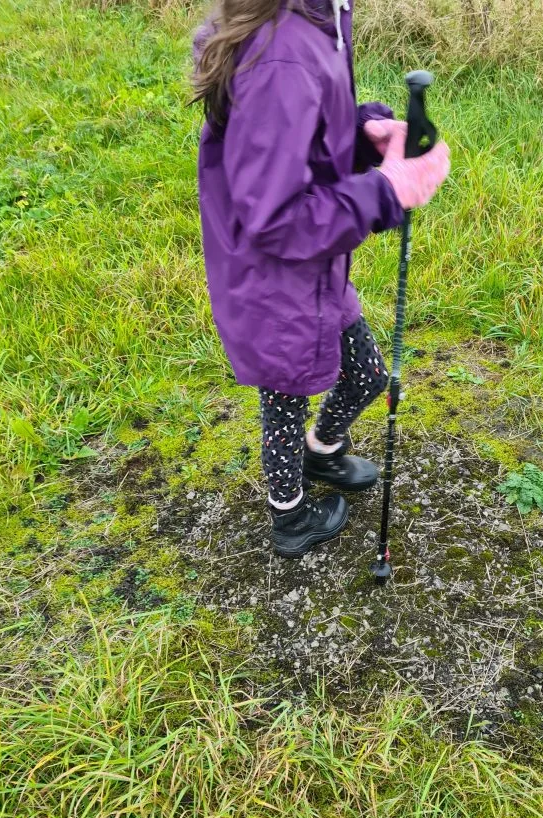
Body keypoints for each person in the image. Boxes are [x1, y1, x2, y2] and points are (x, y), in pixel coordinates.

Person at [193, 0, 450, 557]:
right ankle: (290, 520)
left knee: (367, 373)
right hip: (274, 281)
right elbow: (274, 215)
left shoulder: (322, 14)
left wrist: (365, 133)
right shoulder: (281, 53)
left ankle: (323, 449)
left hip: (314, 268)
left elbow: (305, 141)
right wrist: (386, 191)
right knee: (285, 400)